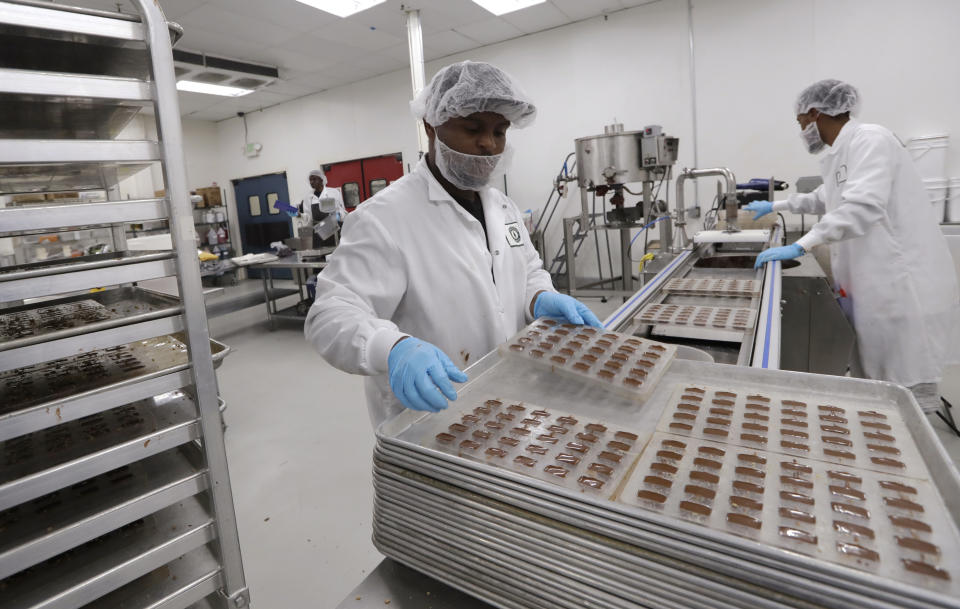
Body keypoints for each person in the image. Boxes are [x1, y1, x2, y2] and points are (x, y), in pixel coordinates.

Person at [304, 60, 602, 426]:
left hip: (511, 402)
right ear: (430, 126)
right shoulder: (382, 217)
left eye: (500, 131)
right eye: (472, 127)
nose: (488, 144)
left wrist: (539, 297)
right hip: (431, 417)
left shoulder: (502, 207)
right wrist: (393, 348)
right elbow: (331, 313)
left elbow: (527, 271)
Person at [746, 79, 960, 412]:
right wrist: (777, 206)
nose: (802, 130)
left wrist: (801, 246)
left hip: (900, 288)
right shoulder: (844, 151)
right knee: (878, 387)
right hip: (874, 287)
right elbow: (828, 196)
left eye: (801, 122)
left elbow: (862, 208)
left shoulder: (870, 140)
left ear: (815, 113)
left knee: (903, 394)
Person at [293, 169, 346, 247]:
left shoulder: (334, 193)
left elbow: (343, 212)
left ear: (321, 179)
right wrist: (300, 215)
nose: (311, 182)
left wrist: (336, 217)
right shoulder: (308, 198)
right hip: (318, 233)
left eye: (314, 179)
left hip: (334, 231)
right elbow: (309, 218)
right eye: (310, 180)